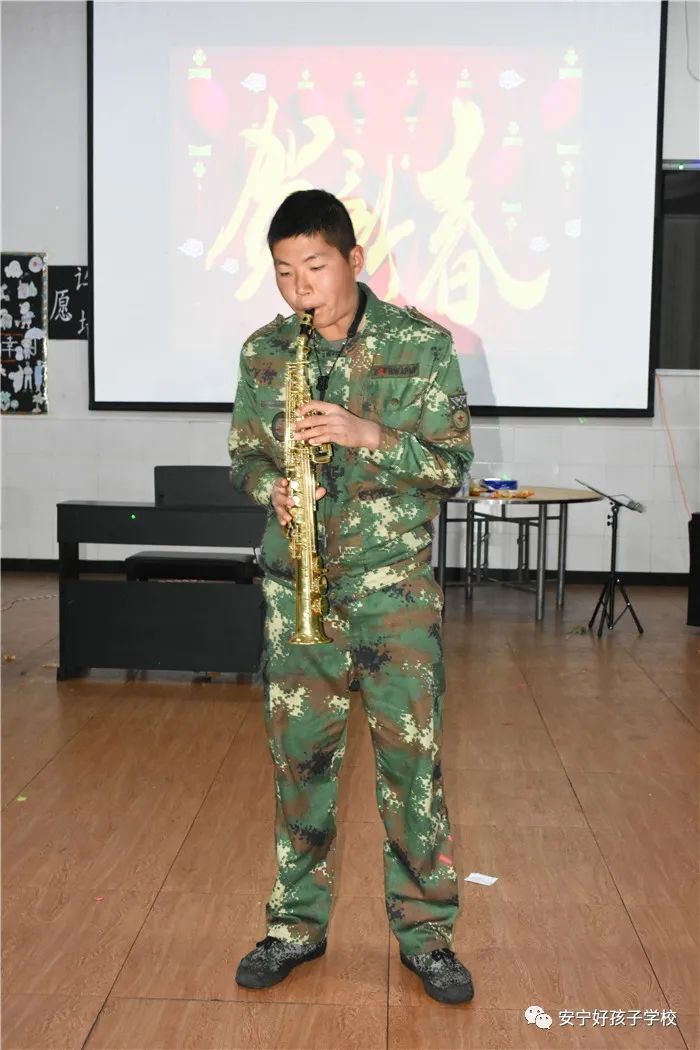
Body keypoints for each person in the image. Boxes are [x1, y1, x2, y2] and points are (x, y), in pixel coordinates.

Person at [228, 189, 475, 1005]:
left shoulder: (421, 345)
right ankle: (294, 927)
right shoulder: (265, 351)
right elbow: (245, 455)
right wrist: (270, 488)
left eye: (315, 266)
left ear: (353, 259)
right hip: (297, 593)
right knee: (300, 769)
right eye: (283, 271)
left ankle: (427, 938)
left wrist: (369, 435)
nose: (300, 287)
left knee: (412, 770)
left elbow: (449, 466)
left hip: (392, 592)